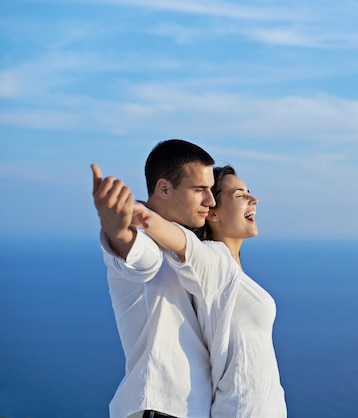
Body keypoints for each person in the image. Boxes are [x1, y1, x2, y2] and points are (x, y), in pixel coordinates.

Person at [131, 165, 287, 418]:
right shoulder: (214, 261)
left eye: (249, 192)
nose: (253, 199)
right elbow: (182, 242)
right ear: (212, 214)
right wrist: (141, 212)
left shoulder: (229, 270)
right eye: (239, 195)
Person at [92, 139, 218, 418]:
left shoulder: (191, 249)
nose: (211, 201)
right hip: (159, 409)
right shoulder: (144, 239)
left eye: (210, 190)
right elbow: (141, 258)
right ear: (163, 188)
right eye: (199, 190)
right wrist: (118, 231)